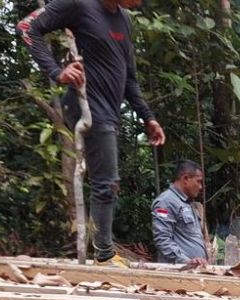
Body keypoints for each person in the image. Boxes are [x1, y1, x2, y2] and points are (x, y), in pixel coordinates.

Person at [18, 0, 166, 267]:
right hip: (87, 104)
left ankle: (104, 252)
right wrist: (56, 71)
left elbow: (129, 76)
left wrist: (148, 117)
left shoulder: (125, 19)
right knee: (106, 182)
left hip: (109, 110)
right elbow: (28, 26)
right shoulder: (80, 5)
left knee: (107, 181)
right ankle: (105, 255)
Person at [151, 160, 208, 265]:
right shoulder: (166, 202)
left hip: (193, 270)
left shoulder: (187, 202)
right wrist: (186, 261)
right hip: (178, 271)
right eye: (198, 181)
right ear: (186, 179)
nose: (200, 187)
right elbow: (162, 239)